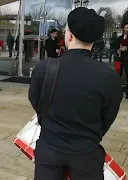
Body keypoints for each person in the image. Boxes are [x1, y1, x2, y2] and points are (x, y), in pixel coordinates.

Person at [29, 8, 123, 180]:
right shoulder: (109, 77)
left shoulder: (44, 69)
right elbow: (108, 116)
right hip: (87, 155)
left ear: (69, 36)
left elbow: (36, 101)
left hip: (49, 150)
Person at [116, 22, 128, 99]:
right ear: (123, 28)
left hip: (127, 59)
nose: (127, 29)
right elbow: (115, 46)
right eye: (126, 27)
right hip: (119, 59)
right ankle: (116, 92)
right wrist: (118, 49)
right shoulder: (120, 38)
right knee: (117, 75)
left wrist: (126, 48)